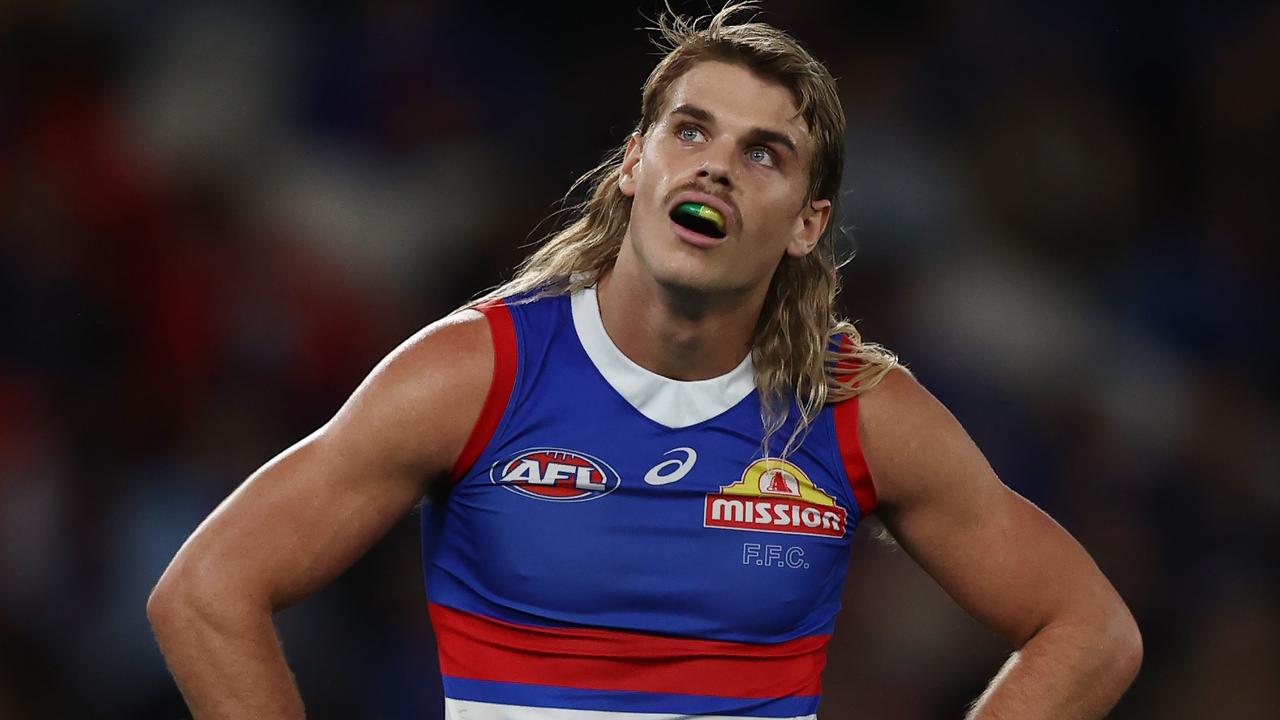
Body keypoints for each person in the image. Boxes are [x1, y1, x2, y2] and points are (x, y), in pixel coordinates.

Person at [147, 4, 1142, 718]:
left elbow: (1088, 632)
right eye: (690, 129)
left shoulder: (855, 412)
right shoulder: (477, 374)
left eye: (764, 152)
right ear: (635, 165)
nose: (714, 161)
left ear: (806, 223)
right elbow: (204, 594)